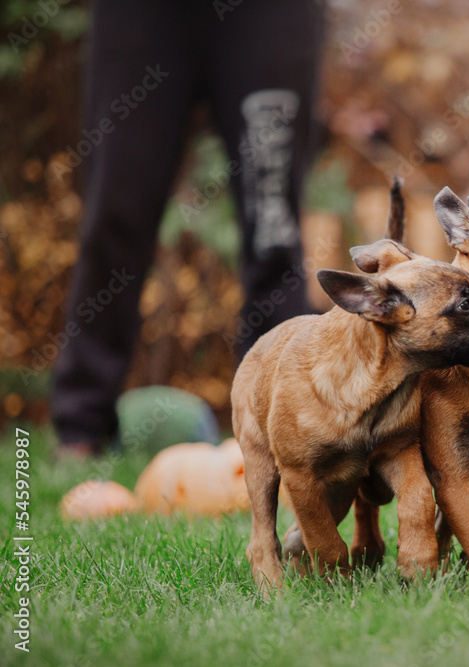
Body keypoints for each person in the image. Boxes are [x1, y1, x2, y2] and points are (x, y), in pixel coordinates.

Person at [50, 0, 327, 456]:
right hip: (142, 15)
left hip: (270, 13)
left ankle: (283, 428)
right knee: (115, 216)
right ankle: (80, 427)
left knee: (272, 231)